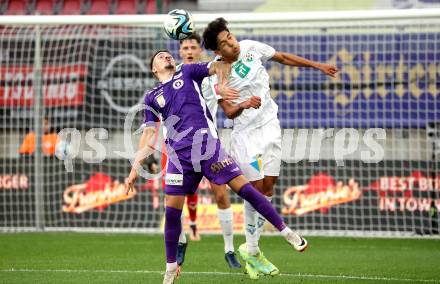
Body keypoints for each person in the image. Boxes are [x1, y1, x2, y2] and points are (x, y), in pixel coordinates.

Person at [125, 50, 308, 284]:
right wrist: (134, 169)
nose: (167, 57)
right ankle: (171, 269)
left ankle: (287, 232)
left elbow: (217, 66)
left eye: (168, 55)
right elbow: (149, 134)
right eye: (160, 57)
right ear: (154, 69)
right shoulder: (152, 96)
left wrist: (221, 68)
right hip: (179, 158)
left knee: (247, 190)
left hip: (208, 146)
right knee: (171, 212)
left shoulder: (188, 72)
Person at [202, 18, 338, 279]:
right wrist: (244, 104)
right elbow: (229, 112)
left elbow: (283, 57)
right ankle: (252, 250)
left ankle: (252, 249)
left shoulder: (252, 47)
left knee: (269, 187)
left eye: (230, 36)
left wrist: (317, 65)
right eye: (225, 43)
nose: (232, 42)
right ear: (218, 52)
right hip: (245, 136)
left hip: (270, 126)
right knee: (255, 190)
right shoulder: (217, 77)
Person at [175, 32, 259, 269]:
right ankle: (181, 243)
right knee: (176, 199)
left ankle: (229, 250)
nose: (190, 51)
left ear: (200, 50)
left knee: (221, 195)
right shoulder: (174, 75)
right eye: (185, 48)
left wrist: (226, 89)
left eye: (194, 47)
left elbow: (225, 67)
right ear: (180, 52)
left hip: (209, 145)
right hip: (181, 146)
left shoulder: (212, 74)